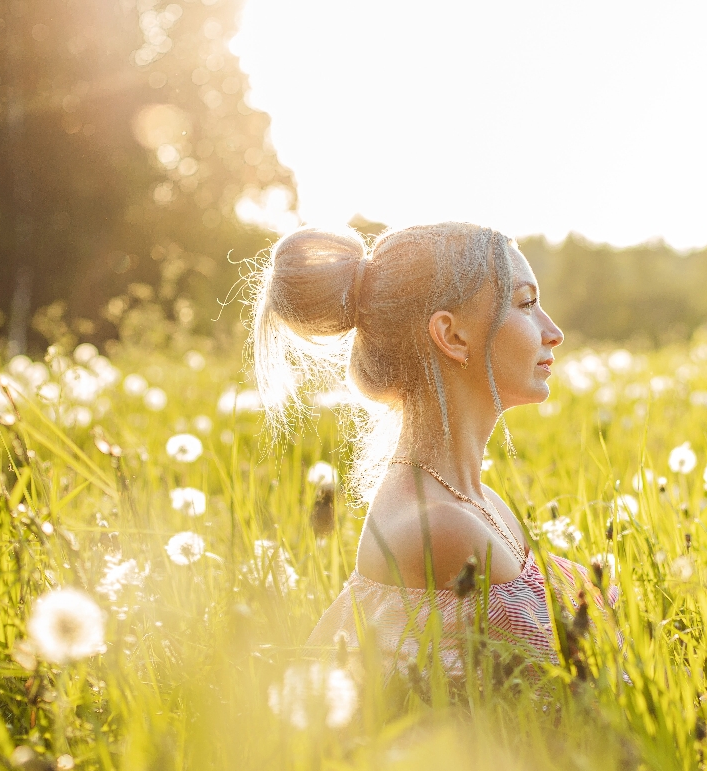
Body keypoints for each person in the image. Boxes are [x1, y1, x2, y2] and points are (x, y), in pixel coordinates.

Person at [251, 222, 609, 676]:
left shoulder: (473, 502)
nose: (553, 331)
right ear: (453, 336)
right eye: (526, 304)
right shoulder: (443, 525)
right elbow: (579, 692)